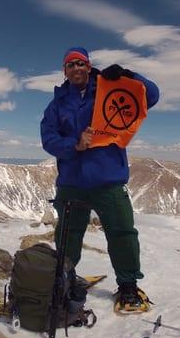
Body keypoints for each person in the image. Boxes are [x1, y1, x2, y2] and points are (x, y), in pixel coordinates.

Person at [40, 47, 159, 312]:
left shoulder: (110, 88)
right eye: (70, 65)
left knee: (122, 233)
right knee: (68, 235)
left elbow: (151, 95)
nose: (76, 69)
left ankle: (128, 286)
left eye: (80, 63)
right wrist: (75, 145)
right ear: (64, 71)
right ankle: (65, 278)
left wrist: (129, 74)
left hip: (108, 179)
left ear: (89, 65)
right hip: (72, 183)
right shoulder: (57, 104)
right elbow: (48, 140)